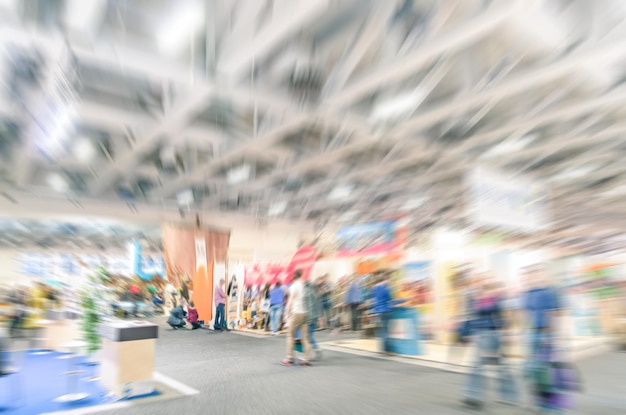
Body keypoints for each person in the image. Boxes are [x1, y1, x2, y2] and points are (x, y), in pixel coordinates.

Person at [462, 279, 517, 409]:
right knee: (500, 366)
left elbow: (508, 316)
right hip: (480, 335)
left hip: (492, 335)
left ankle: (473, 396)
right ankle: (510, 396)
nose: (480, 288)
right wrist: (467, 333)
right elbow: (470, 318)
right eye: (479, 286)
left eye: (484, 287)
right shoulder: (476, 300)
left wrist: (506, 333)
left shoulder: (497, 299)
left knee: (479, 365)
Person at [282, 271, 312, 366]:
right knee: (305, 338)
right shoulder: (305, 286)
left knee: (290, 335)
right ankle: (306, 360)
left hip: (296, 313)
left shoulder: (294, 286)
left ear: (293, 277)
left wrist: (286, 313)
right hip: (305, 313)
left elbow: (291, 300)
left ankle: (289, 358)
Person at [372, 272, 394, 354]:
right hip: (386, 310)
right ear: (385, 279)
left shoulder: (374, 289)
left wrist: (375, 311)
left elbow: (374, 301)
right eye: (389, 280)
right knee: (386, 330)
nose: (389, 281)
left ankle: (381, 349)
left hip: (379, 311)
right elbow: (390, 300)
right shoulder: (386, 289)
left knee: (381, 330)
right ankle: (387, 349)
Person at [304, 278, 323, 360]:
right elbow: (318, 305)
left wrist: (309, 318)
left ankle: (316, 349)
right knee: (309, 335)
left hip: (310, 317)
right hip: (314, 316)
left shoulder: (307, 292)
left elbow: (310, 306)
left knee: (308, 335)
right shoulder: (314, 291)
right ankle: (314, 351)